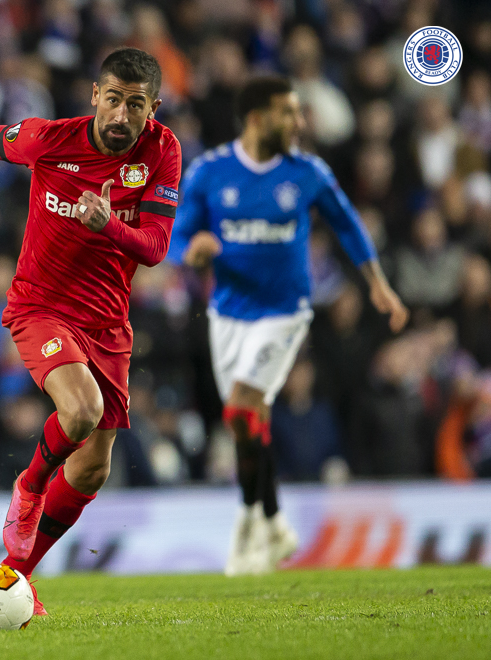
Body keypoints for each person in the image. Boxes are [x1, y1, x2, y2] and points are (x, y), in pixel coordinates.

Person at [0, 48, 180, 613]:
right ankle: (31, 485)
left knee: (94, 464)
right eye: (112, 99)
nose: (121, 115)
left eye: (135, 105)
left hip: (108, 322)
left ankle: (14, 575)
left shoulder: (163, 150)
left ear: (152, 108)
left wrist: (109, 224)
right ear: (95, 95)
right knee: (82, 409)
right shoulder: (50, 138)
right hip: (40, 306)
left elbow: (158, 248)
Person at [168, 76, 407, 576]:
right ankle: (274, 522)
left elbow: (347, 224)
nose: (299, 122)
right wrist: (193, 251)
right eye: (288, 113)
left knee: (240, 409)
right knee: (245, 423)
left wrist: (377, 284)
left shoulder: (307, 172)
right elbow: (177, 236)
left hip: (285, 313)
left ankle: (248, 522)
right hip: (228, 313)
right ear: (257, 119)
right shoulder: (211, 172)